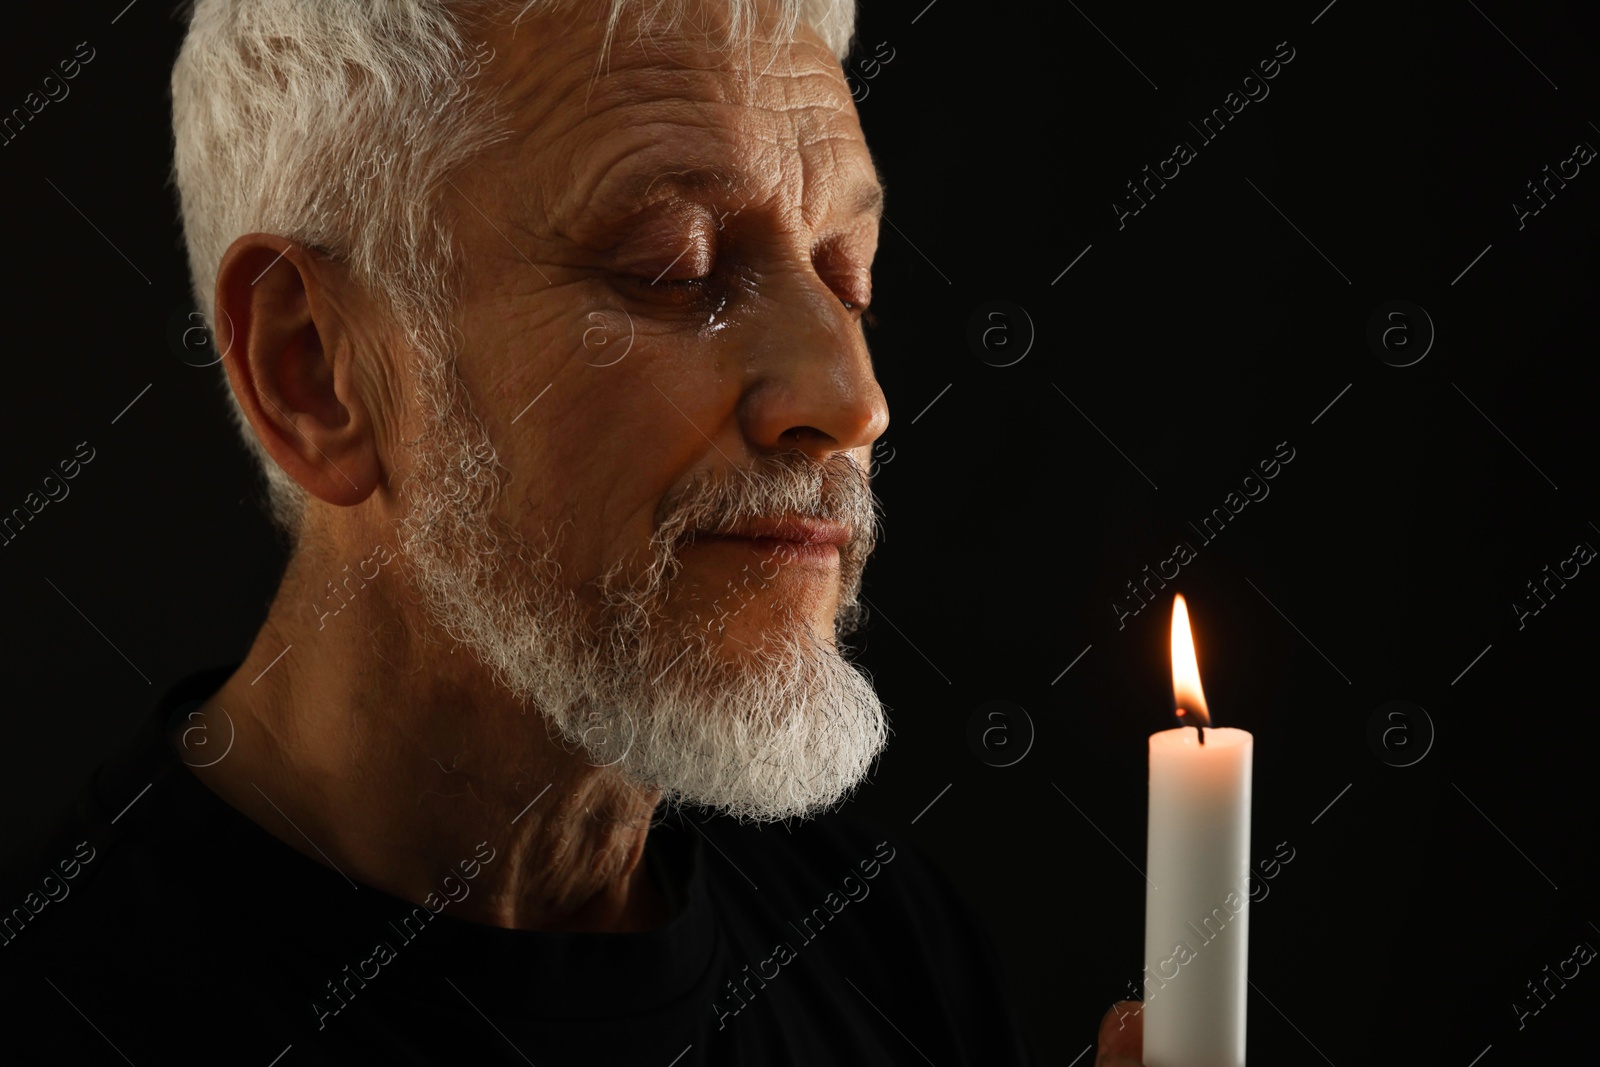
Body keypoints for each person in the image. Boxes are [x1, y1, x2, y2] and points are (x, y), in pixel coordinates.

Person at [2, 0, 1137, 1062]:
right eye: (674, 265)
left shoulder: (882, 941)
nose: (853, 399)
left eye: (847, 275)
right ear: (317, 371)